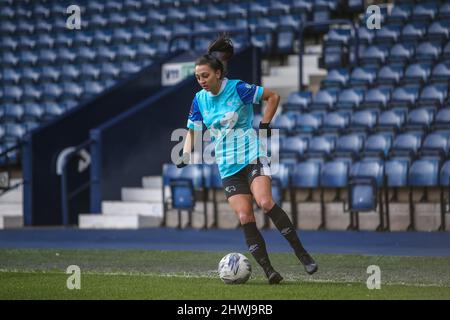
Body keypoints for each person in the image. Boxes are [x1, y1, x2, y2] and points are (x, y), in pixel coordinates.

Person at [177, 34, 317, 284]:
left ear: (218, 73)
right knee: (245, 217)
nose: (202, 82)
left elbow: (273, 97)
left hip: (252, 156)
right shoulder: (199, 100)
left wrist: (264, 124)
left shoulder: (238, 88)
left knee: (265, 202)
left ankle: (302, 253)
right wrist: (186, 153)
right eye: (198, 77)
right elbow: (193, 131)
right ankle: (269, 272)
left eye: (205, 76)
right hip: (228, 166)